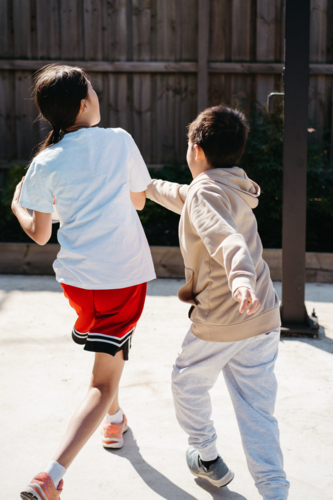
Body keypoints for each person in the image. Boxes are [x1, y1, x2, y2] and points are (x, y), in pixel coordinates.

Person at [11, 65, 155, 500]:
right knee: (102, 379)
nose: (96, 93)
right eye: (92, 88)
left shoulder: (45, 161)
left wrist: (18, 202)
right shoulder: (119, 140)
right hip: (123, 277)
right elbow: (140, 199)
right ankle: (51, 475)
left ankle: (114, 420)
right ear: (83, 104)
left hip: (79, 282)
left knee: (109, 348)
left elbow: (39, 233)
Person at [146, 106, 290, 500]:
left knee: (186, 382)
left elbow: (228, 239)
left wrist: (239, 279)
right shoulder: (230, 186)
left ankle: (206, 456)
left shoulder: (206, 191)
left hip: (224, 318)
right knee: (258, 411)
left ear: (196, 149)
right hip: (263, 317)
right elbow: (183, 196)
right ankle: (275, 490)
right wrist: (144, 186)